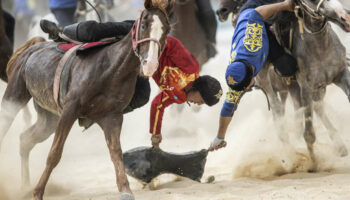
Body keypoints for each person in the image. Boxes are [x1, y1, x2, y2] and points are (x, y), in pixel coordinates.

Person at [40, 19, 223, 147]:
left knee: (142, 97)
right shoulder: (191, 68)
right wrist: (152, 54)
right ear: (200, 90)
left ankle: (99, 111)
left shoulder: (180, 97)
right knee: (100, 30)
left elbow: (157, 105)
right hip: (149, 39)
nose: (200, 104)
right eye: (203, 100)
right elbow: (172, 44)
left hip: (140, 64)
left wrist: (155, 133)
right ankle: (62, 31)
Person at [208, 0, 295, 151]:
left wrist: (285, 5)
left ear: (251, 78)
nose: (246, 90)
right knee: (287, 66)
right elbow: (227, 108)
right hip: (257, 33)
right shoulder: (236, 77)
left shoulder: (252, 46)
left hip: (254, 8)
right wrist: (219, 137)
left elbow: (256, 14)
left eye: (246, 88)